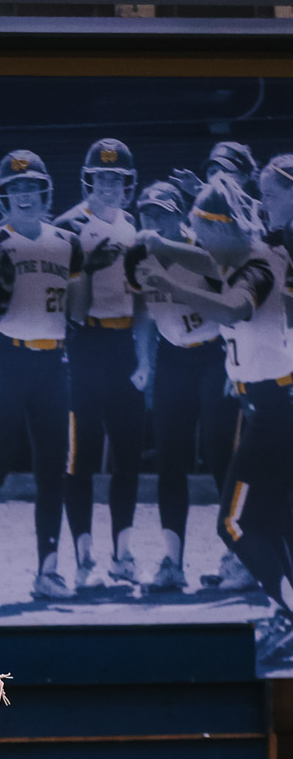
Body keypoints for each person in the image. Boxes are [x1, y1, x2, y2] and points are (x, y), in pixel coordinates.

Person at [136, 179, 293, 659]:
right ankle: (284, 611)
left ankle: (290, 613)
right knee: (274, 519)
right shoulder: (248, 255)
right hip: (270, 403)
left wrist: (170, 284)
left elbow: (234, 308)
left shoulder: (257, 265)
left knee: (234, 523)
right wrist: (163, 246)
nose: (197, 239)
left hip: (274, 409)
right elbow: (209, 263)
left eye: (201, 229)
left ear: (221, 227)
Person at [0, 150, 87, 604]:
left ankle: (48, 571)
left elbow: (79, 310)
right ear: (3, 196)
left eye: (31, 187)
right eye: (15, 188)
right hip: (8, 360)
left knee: (54, 473)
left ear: (45, 192)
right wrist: (2, 282)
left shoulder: (67, 241)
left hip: (53, 364)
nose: (24, 195)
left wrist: (87, 275)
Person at [127, 180, 241, 593]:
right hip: (173, 358)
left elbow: (234, 305)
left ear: (180, 215)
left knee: (219, 454)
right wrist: (144, 361)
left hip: (213, 354)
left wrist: (235, 364)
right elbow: (143, 313)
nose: (154, 221)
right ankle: (172, 561)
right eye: (148, 214)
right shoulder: (140, 256)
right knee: (170, 459)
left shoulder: (201, 250)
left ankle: (237, 556)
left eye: (162, 213)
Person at [59, 138, 144, 585]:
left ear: (128, 183)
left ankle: (123, 554)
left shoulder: (132, 225)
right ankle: (84, 558)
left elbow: (141, 297)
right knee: (82, 456)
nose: (109, 186)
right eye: (102, 177)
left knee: (128, 455)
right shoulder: (69, 226)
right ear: (88, 180)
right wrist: (89, 265)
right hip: (85, 343)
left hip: (123, 344)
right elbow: (62, 302)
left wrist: (143, 355)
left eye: (117, 178)